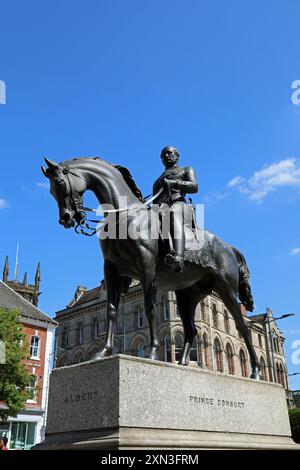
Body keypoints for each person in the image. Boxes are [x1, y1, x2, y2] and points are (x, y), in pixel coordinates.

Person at [152, 146, 198, 272]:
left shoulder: (186, 170)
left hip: (179, 204)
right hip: (160, 208)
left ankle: (178, 257)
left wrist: (174, 184)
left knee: (171, 212)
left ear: (177, 156)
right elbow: (155, 201)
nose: (166, 156)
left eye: (169, 153)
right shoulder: (157, 182)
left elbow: (194, 187)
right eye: (163, 155)